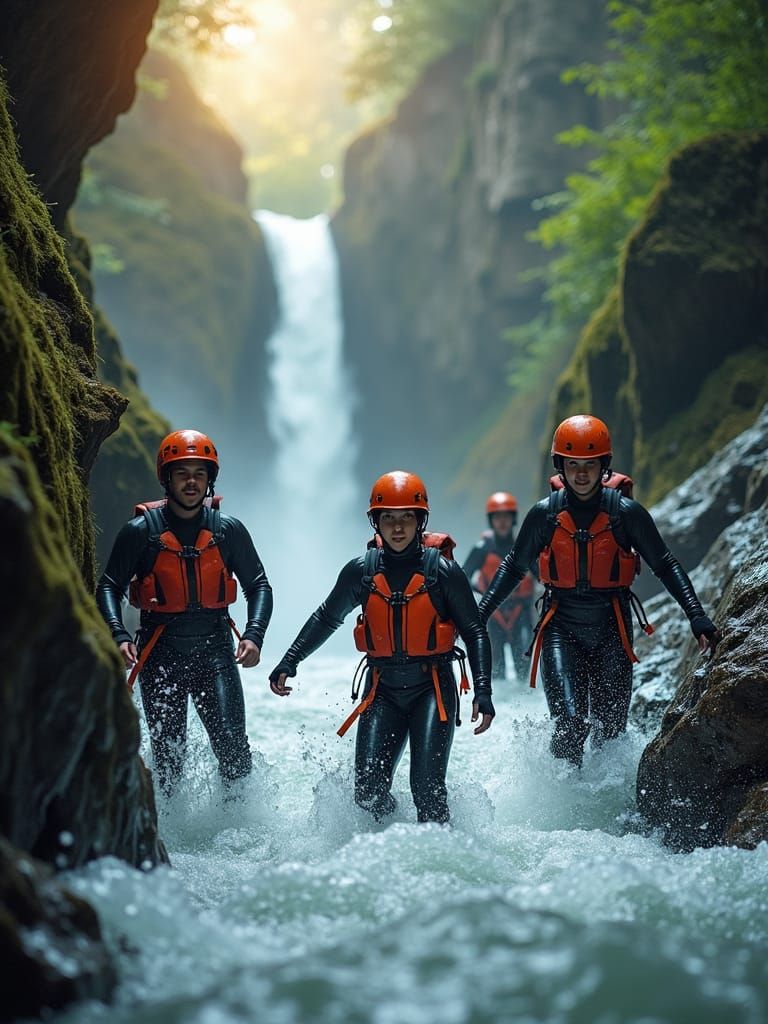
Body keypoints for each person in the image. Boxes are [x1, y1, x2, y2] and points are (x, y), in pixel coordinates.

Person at [478, 415, 721, 766]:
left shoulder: (627, 514)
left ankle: (604, 797)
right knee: (569, 729)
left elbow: (665, 565)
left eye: (589, 465)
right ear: (560, 466)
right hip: (560, 628)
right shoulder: (544, 516)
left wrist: (696, 616)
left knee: (611, 736)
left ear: (603, 465)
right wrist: (479, 616)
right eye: (572, 464)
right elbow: (513, 567)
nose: (581, 474)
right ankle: (567, 796)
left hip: (612, 630)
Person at [268, 470, 494, 824]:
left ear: (420, 521)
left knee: (428, 790)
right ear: (376, 521)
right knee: (367, 791)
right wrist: (289, 660)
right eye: (388, 518)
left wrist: (482, 691)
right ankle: (394, 837)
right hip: (382, 690)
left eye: (407, 518)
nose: (398, 527)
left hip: (431, 689)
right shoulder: (360, 572)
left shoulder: (444, 573)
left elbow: (475, 632)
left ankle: (438, 851)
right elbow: (327, 617)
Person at [96, 429, 273, 795]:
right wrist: (119, 634)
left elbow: (258, 585)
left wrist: (254, 635)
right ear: (167, 478)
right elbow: (109, 586)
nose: (191, 482)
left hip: (216, 654)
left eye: (199, 474)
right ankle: (172, 826)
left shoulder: (228, 531)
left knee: (234, 752)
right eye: (182, 473)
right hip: (160, 655)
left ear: (210, 480)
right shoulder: (139, 533)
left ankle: (239, 825)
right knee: (168, 763)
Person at [462, 492, 535, 681]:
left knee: (523, 673)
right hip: (492, 616)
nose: (502, 522)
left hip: (521, 614)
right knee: (496, 674)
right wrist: (479, 594)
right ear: (491, 520)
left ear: (513, 519)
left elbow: (542, 577)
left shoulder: (525, 546)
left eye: (506, 517)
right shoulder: (482, 549)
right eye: (497, 517)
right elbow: (463, 577)